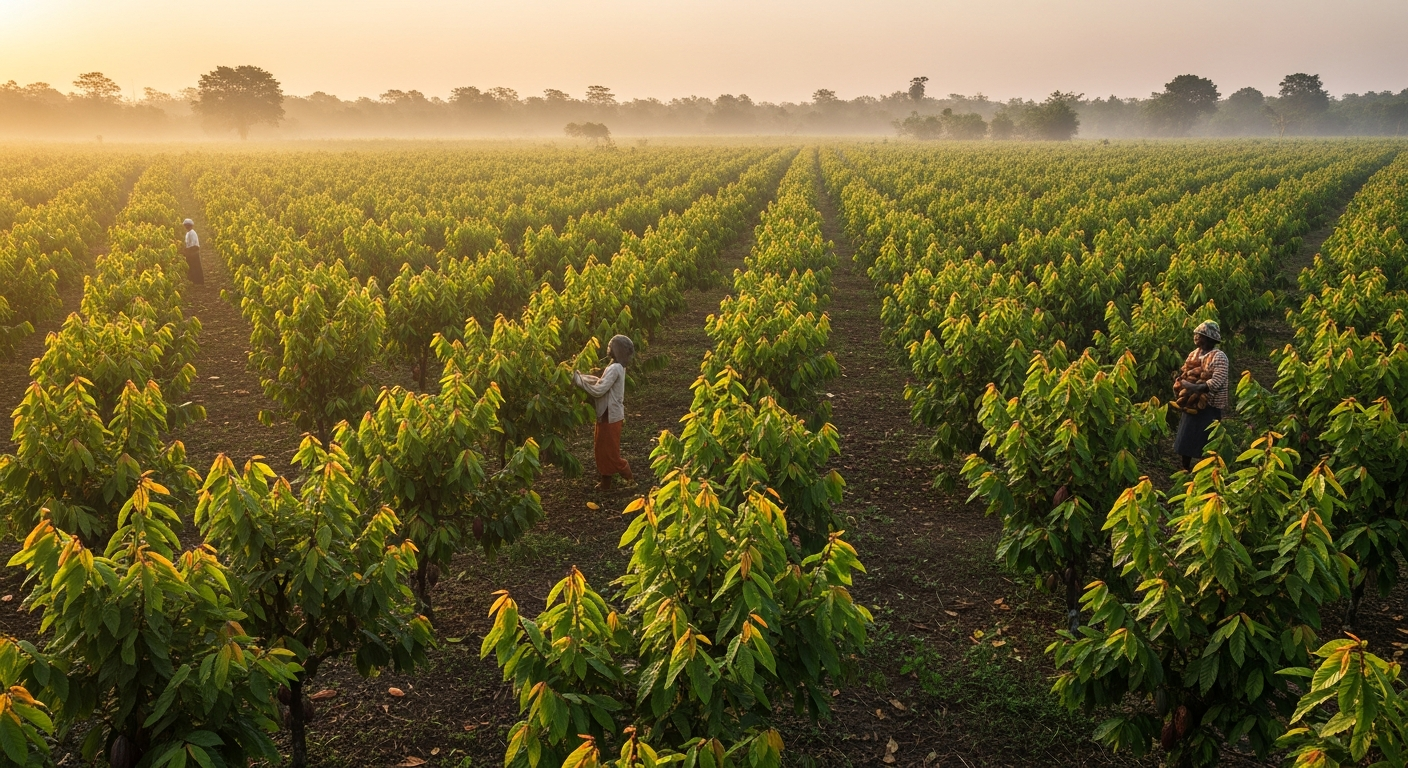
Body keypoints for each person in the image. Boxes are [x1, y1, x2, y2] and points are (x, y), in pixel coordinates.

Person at [573, 335, 636, 491]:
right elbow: (599, 381)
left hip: (611, 416)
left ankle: (630, 479)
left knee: (610, 452)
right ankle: (605, 483)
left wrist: (579, 381)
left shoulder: (615, 368)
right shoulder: (615, 367)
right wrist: (580, 377)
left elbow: (599, 389)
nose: (608, 349)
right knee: (601, 450)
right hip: (606, 415)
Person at [1173, 320, 1229, 470]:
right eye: (1196, 334)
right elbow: (1185, 372)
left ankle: (1206, 470)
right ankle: (1185, 469)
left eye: (1199, 335)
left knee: (1207, 441)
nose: (1195, 337)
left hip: (1210, 405)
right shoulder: (1194, 354)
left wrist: (1193, 387)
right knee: (1186, 438)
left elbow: (1215, 383)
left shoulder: (1219, 357)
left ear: (1208, 338)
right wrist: (1180, 382)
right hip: (1191, 404)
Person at [182, 218, 204, 285]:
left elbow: (194, 245)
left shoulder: (192, 233)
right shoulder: (188, 233)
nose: (186, 227)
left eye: (187, 225)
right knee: (191, 267)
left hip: (193, 251)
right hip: (190, 252)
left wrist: (187, 251)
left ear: (190, 225)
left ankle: (199, 281)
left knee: (196, 267)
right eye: (185, 225)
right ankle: (194, 281)